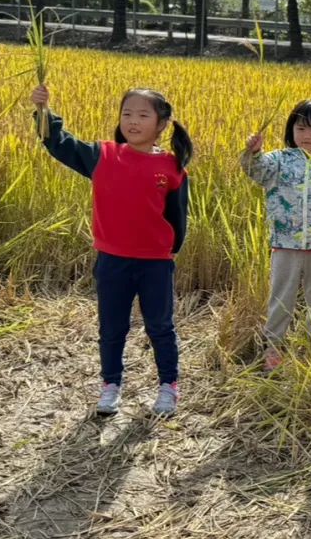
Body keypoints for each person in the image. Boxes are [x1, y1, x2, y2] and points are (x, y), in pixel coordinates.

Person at [30, 84, 192, 416]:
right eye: (127, 114)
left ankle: (168, 386)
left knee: (160, 326)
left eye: (143, 115)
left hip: (155, 263)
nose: (133, 121)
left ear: (161, 124)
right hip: (112, 260)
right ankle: (111, 385)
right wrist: (44, 112)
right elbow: (59, 144)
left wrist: (171, 249)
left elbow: (178, 215)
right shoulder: (103, 155)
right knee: (112, 325)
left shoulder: (172, 167)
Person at [241, 100, 311, 372]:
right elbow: (254, 169)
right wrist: (253, 151)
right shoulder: (278, 161)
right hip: (285, 244)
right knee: (281, 297)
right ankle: (273, 348)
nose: (308, 136)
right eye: (301, 129)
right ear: (291, 130)